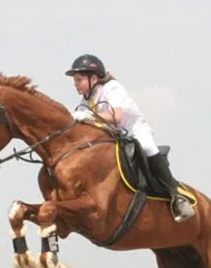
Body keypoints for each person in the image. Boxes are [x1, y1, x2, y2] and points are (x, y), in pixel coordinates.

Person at [66, 54, 195, 222]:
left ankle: (176, 196)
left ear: (94, 78)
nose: (76, 84)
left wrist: (88, 116)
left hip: (134, 130)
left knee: (149, 148)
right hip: (113, 136)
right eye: (75, 80)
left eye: (79, 79)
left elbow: (116, 116)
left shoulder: (112, 88)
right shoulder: (85, 99)